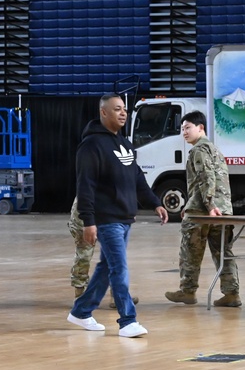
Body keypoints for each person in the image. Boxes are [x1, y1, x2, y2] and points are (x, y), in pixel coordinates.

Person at [67, 93, 169, 337]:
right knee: (119, 268)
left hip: (124, 218)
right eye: (117, 109)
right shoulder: (90, 146)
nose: (123, 113)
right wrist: (89, 221)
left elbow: (137, 178)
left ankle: (81, 312)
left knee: (106, 267)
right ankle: (127, 320)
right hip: (106, 218)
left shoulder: (125, 145)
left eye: (124, 109)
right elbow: (85, 186)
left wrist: (155, 203)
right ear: (104, 112)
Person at [164, 111, 241, 308]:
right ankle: (232, 294)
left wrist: (208, 205)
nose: (184, 132)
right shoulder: (215, 150)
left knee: (190, 250)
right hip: (222, 211)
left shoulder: (199, 150)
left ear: (201, 128)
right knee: (223, 252)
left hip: (204, 212)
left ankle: (188, 291)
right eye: (182, 129)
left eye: (188, 127)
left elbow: (206, 177)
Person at [69, 196, 138, 308]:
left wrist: (129, 208)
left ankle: (118, 296)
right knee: (84, 254)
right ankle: (80, 295)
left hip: (112, 205)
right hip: (87, 205)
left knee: (115, 255)